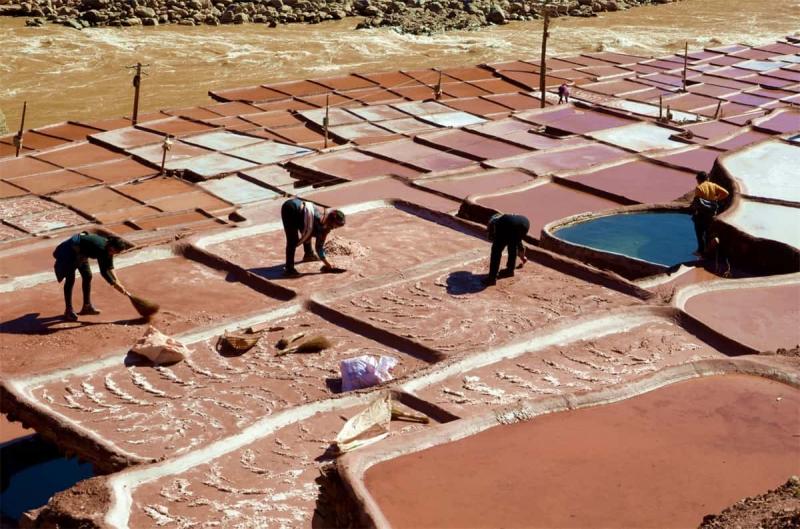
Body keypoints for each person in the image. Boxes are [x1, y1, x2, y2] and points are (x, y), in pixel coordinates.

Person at [53, 232, 129, 321]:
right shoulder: (101, 249)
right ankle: (68, 310)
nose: (114, 253)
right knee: (70, 279)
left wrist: (118, 282)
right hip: (69, 251)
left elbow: (110, 266)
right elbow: (104, 271)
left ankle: (87, 306)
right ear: (111, 246)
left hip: (82, 252)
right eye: (115, 251)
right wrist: (114, 284)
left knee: (87, 276)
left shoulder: (109, 249)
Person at [281, 198, 346, 276]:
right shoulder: (322, 225)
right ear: (331, 222)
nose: (334, 229)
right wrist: (328, 264)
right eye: (335, 227)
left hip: (302, 212)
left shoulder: (326, 220)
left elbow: (308, 231)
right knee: (293, 240)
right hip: (290, 209)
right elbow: (319, 247)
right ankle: (289, 268)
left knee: (309, 231)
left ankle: (309, 254)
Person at [482, 213, 529, 286]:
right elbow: (520, 245)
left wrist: (496, 240)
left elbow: (492, 237)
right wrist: (523, 258)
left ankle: (492, 278)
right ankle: (510, 270)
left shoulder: (498, 224)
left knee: (496, 250)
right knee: (513, 245)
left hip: (513, 225)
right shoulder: (506, 220)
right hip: (525, 224)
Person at [691, 171, 729, 255]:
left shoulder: (699, 188)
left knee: (699, 233)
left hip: (701, 214)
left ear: (699, 179)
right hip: (711, 213)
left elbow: (698, 202)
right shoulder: (713, 186)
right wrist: (716, 199)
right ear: (707, 178)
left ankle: (701, 251)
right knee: (708, 232)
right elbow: (726, 193)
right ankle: (709, 251)